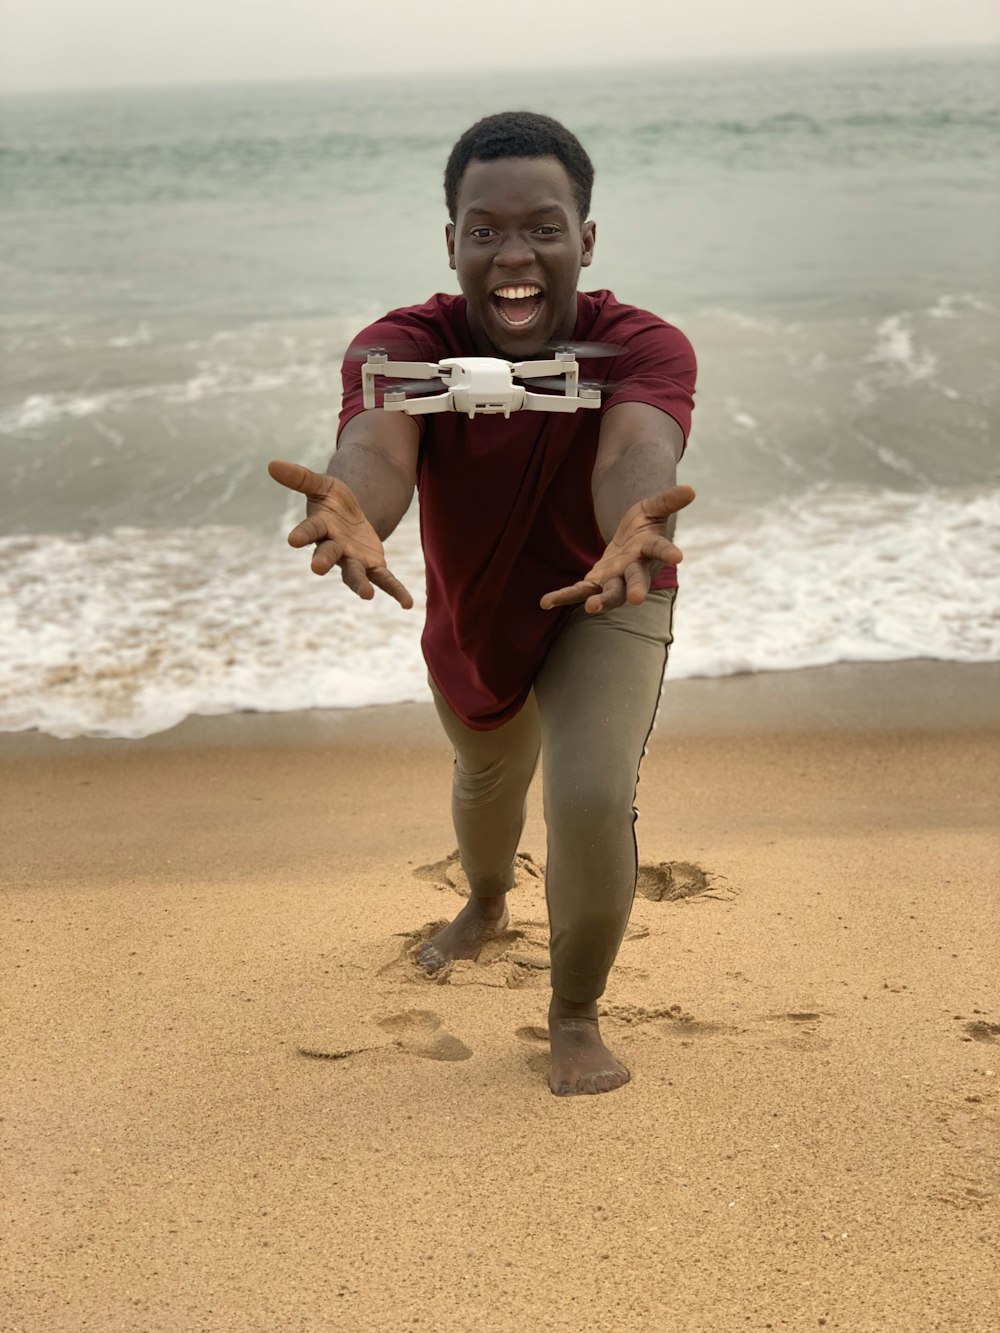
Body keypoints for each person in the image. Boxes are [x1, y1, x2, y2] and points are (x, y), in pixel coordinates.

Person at [268, 111, 696, 1096]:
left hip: (608, 585)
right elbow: (375, 449)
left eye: (544, 229)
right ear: (451, 240)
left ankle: (575, 1011)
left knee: (588, 795)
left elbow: (636, 448)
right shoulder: (399, 345)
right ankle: (491, 900)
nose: (515, 256)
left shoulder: (642, 345)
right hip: (472, 610)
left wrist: (634, 518)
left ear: (584, 239)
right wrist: (350, 501)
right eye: (485, 230)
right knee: (485, 783)